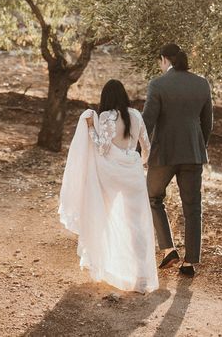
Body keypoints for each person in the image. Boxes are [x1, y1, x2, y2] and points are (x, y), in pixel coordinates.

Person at [59, 79, 158, 293]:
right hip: (133, 175)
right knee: (137, 226)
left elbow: (102, 147)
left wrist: (92, 127)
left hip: (112, 176)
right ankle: (141, 276)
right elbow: (146, 147)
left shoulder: (106, 116)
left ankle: (105, 265)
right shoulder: (137, 115)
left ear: (107, 98)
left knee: (103, 215)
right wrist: (137, 163)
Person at [143, 43, 213, 277]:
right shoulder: (202, 83)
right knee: (193, 207)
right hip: (193, 154)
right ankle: (190, 262)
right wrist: (198, 147)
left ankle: (168, 249)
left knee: (152, 197)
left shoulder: (158, 84)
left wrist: (136, 150)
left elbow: (147, 122)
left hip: (164, 153)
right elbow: (207, 123)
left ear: (164, 60)